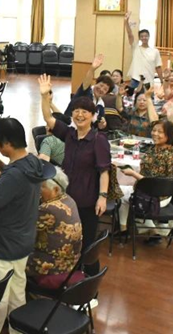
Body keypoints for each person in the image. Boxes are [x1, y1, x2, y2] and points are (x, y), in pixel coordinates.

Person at [0, 118, 54, 334]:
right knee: (17, 293)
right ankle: (18, 330)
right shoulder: (32, 162)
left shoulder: (14, 174)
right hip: (23, 240)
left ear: (6, 144)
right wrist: (1, 164)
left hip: (2, 244)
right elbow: (15, 181)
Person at [39, 74, 110, 277]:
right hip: (67, 200)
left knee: (87, 244)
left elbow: (104, 171)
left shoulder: (98, 140)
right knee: (69, 241)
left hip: (87, 201)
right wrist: (44, 96)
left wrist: (102, 197)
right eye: (76, 111)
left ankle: (91, 283)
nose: (80, 115)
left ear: (93, 116)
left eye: (84, 112)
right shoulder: (69, 134)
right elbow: (48, 118)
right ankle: (72, 280)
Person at [118, 120, 173, 235]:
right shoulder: (161, 149)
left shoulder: (162, 154)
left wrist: (133, 173)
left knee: (118, 192)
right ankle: (127, 229)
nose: (155, 134)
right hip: (162, 193)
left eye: (160, 132)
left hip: (155, 197)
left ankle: (133, 229)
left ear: (168, 135)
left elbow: (151, 182)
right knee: (124, 193)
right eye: (154, 130)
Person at [27, 168, 83, 290]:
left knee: (9, 258)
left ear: (56, 189)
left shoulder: (49, 209)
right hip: (70, 262)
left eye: (42, 187)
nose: (38, 190)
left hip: (52, 266)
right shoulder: (68, 200)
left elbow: (23, 229)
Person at [64, 53, 112, 124]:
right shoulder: (86, 91)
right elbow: (87, 81)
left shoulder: (101, 104)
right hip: (69, 125)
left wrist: (102, 124)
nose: (101, 89)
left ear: (106, 93)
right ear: (96, 83)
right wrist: (92, 69)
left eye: (105, 89)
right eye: (101, 85)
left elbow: (99, 122)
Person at [123, 11, 164, 89]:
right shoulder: (136, 48)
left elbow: (158, 67)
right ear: (139, 38)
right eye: (142, 36)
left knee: (148, 96)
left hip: (149, 81)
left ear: (149, 37)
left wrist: (162, 81)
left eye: (146, 36)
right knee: (132, 96)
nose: (144, 38)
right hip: (136, 80)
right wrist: (126, 21)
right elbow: (130, 34)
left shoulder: (155, 51)